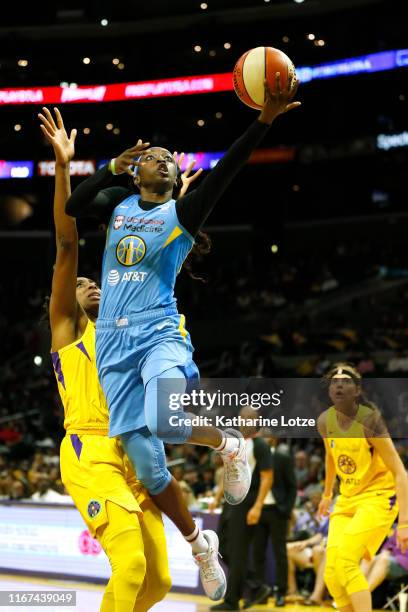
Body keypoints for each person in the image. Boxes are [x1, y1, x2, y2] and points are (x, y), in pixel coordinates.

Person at [64, 75, 300, 585]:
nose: (165, 160)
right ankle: (200, 548)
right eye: (156, 155)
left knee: (166, 418)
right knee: (150, 471)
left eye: (171, 158)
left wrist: (262, 121)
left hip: (158, 333)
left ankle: (231, 445)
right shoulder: (118, 205)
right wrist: (110, 167)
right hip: (111, 344)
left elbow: (227, 171)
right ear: (139, 169)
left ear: (175, 178)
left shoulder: (182, 213)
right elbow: (72, 206)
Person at [39, 106, 172, 611]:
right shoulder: (67, 331)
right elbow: (67, 238)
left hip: (132, 449)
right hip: (89, 451)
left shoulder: (123, 323)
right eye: (81, 283)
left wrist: (172, 205)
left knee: (157, 581)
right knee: (130, 565)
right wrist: (63, 166)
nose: (89, 282)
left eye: (95, 280)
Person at [318, 362, 408, 612]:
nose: (339, 385)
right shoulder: (325, 421)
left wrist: (404, 523)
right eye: (334, 381)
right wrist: (327, 494)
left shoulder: (370, 422)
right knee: (332, 574)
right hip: (347, 498)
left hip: (378, 497)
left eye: (346, 381)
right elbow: (330, 457)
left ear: (357, 390)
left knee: (347, 561)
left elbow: (401, 472)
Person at [210, 407, 274, 611]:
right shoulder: (234, 443)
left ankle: (232, 602)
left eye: (250, 419)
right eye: (242, 417)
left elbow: (267, 477)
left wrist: (257, 507)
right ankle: (256, 585)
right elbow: (229, 472)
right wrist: (217, 497)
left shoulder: (261, 445)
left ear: (256, 422)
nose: (245, 421)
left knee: (237, 552)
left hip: (247, 503)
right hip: (230, 502)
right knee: (221, 549)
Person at [244, 435, 297, 608]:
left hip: (277, 511)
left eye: (266, 438)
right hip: (259, 510)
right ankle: (260, 591)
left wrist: (286, 510)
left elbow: (292, 486)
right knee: (257, 552)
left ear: (273, 440)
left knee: (279, 552)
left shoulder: (282, 458)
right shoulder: (256, 458)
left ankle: (281, 592)